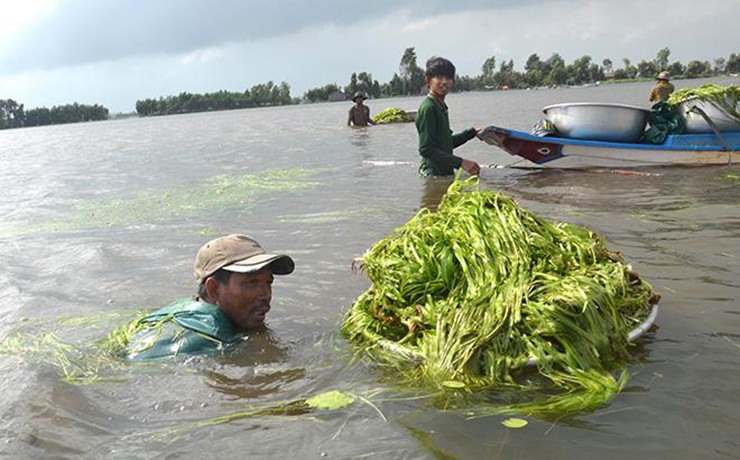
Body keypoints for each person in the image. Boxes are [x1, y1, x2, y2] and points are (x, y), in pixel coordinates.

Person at [118, 234, 294, 360]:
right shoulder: (207, 342)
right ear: (214, 289)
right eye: (252, 283)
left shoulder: (185, 308)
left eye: (268, 283)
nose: (265, 294)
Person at [415, 56, 481, 177]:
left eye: (449, 77)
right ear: (428, 80)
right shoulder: (429, 108)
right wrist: (462, 163)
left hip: (443, 175)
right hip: (433, 175)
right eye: (439, 77)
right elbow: (426, 149)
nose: (445, 81)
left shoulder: (441, 106)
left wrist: (471, 133)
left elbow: (444, 143)